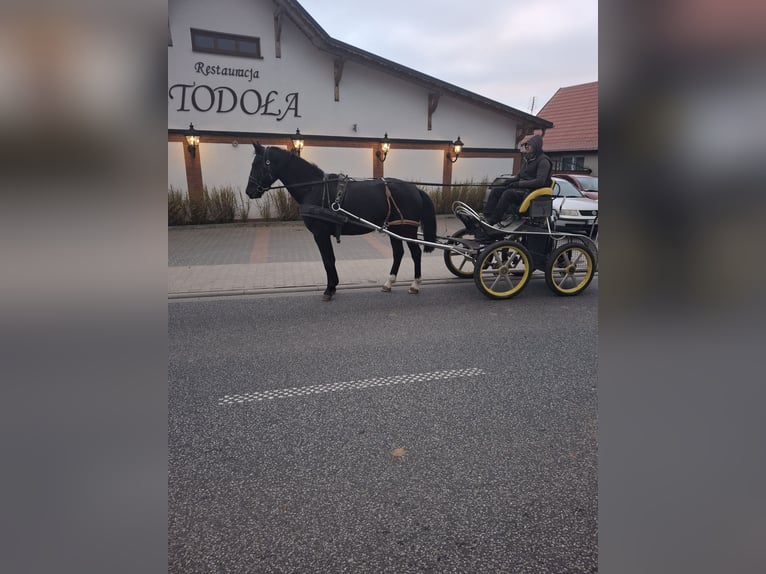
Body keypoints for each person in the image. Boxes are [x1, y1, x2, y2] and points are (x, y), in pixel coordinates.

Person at [483, 134, 553, 225]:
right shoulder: (527, 159)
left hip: (531, 192)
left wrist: (519, 184)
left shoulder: (543, 161)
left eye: (529, 145)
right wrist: (508, 182)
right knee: (496, 190)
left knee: (508, 193)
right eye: (526, 145)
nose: (526, 146)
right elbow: (518, 176)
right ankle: (487, 216)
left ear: (536, 146)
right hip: (521, 189)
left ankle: (495, 219)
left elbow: (540, 181)